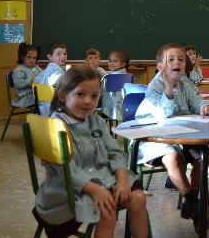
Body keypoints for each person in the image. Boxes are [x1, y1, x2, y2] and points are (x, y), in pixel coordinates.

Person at [34, 67, 148, 238]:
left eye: (94, 96)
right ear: (63, 95)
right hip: (70, 189)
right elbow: (63, 170)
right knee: (107, 210)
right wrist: (95, 189)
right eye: (81, 94)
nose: (88, 101)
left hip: (104, 177)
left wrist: (122, 180)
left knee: (138, 198)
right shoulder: (55, 126)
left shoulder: (96, 120)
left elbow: (115, 152)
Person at [134, 43, 209, 227]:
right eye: (170, 59)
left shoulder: (185, 84)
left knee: (204, 154)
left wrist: (205, 106)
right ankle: (194, 202)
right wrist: (168, 88)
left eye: (181, 59)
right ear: (160, 66)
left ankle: (191, 202)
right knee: (172, 157)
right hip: (154, 139)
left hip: (182, 136)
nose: (176, 62)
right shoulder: (154, 87)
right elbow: (163, 115)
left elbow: (198, 101)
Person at [35, 43, 68, 116]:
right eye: (59, 54)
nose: (63, 56)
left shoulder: (45, 70)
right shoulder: (58, 71)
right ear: (50, 57)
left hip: (42, 108)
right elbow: (54, 86)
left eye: (65, 54)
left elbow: (35, 80)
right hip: (54, 108)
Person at [11, 43, 42, 108]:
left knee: (49, 96)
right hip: (24, 97)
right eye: (29, 57)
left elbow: (43, 75)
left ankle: (44, 113)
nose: (32, 60)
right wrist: (30, 81)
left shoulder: (36, 67)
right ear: (22, 57)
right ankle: (41, 113)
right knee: (44, 98)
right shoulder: (19, 69)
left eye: (34, 58)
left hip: (36, 93)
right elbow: (18, 84)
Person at [102, 49, 129, 120]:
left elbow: (101, 91)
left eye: (115, 61)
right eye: (110, 61)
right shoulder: (125, 75)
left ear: (123, 64)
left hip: (111, 111)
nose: (111, 63)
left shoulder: (112, 77)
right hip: (123, 109)